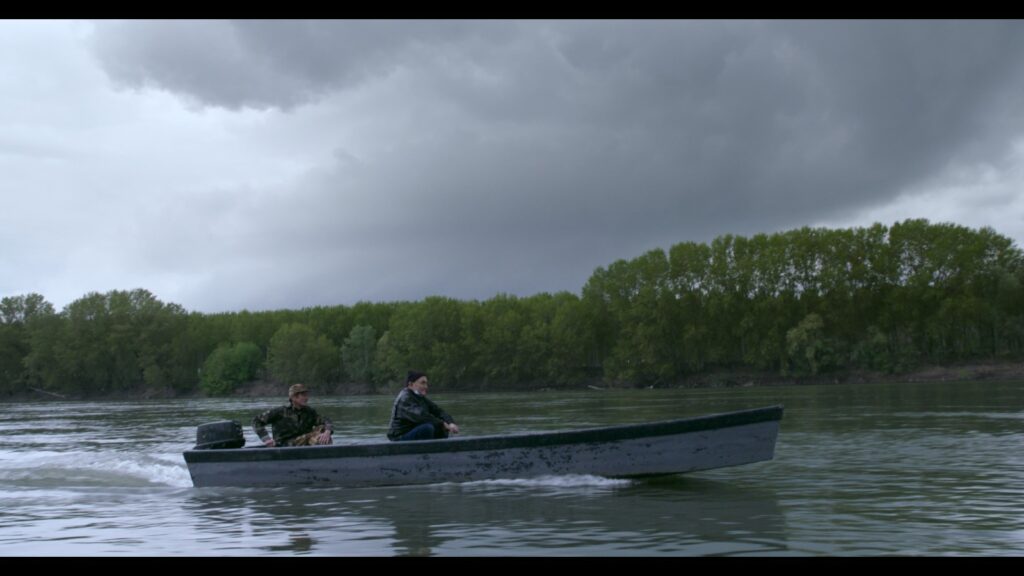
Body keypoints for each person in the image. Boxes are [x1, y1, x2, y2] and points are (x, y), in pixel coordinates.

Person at [252, 383, 333, 447]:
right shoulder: (280, 411)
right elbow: (256, 421)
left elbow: (325, 420)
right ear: (293, 397)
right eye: (303, 395)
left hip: (305, 442)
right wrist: (266, 439)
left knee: (323, 433)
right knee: (317, 436)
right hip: (285, 445)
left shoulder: (310, 412)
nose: (307, 398)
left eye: (307, 395)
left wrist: (327, 431)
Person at [387, 371, 460, 441]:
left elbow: (438, 411)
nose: (426, 386)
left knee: (441, 428)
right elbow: (421, 416)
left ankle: (438, 450)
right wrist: (442, 424)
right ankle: (426, 452)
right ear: (411, 384)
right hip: (399, 437)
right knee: (428, 428)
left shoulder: (420, 397)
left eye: (426, 383)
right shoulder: (405, 398)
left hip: (412, 432)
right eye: (422, 383)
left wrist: (450, 423)